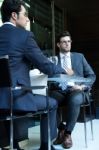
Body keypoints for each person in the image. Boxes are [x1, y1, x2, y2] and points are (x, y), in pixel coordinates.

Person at [0, 0, 67, 150]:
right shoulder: (23, 36)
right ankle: (46, 146)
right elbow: (44, 64)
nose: (28, 19)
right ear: (14, 16)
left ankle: (14, 144)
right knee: (52, 103)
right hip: (14, 100)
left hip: (1, 100)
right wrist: (62, 70)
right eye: (25, 14)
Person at [49, 31, 96, 149]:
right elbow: (49, 78)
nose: (67, 44)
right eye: (64, 42)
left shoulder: (79, 57)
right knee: (48, 100)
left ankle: (68, 134)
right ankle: (61, 128)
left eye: (68, 41)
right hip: (59, 91)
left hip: (77, 90)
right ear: (58, 45)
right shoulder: (53, 59)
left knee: (75, 99)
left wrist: (81, 86)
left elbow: (91, 76)